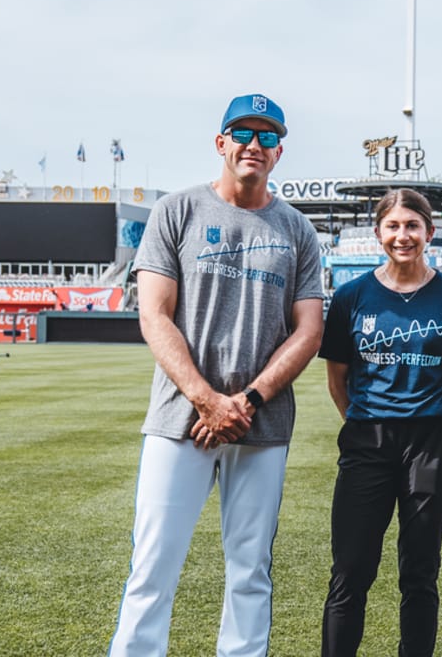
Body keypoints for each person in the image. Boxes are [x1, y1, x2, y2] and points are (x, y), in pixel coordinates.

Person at [108, 93, 325, 657]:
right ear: (221, 142)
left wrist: (245, 399)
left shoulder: (297, 229)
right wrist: (205, 399)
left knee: (250, 571)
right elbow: (153, 314)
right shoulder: (177, 211)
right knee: (152, 565)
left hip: (262, 421)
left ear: (279, 151)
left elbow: (308, 331)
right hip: (180, 416)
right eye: (244, 133)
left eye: (268, 137)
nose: (255, 145)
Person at [318, 188, 442, 656]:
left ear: (429, 232)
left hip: (430, 443)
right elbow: (338, 380)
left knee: (419, 571)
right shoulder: (353, 298)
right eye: (393, 226)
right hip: (366, 441)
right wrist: (367, 420)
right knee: (350, 571)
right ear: (378, 233)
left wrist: (428, 416)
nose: (403, 235)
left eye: (412, 225)